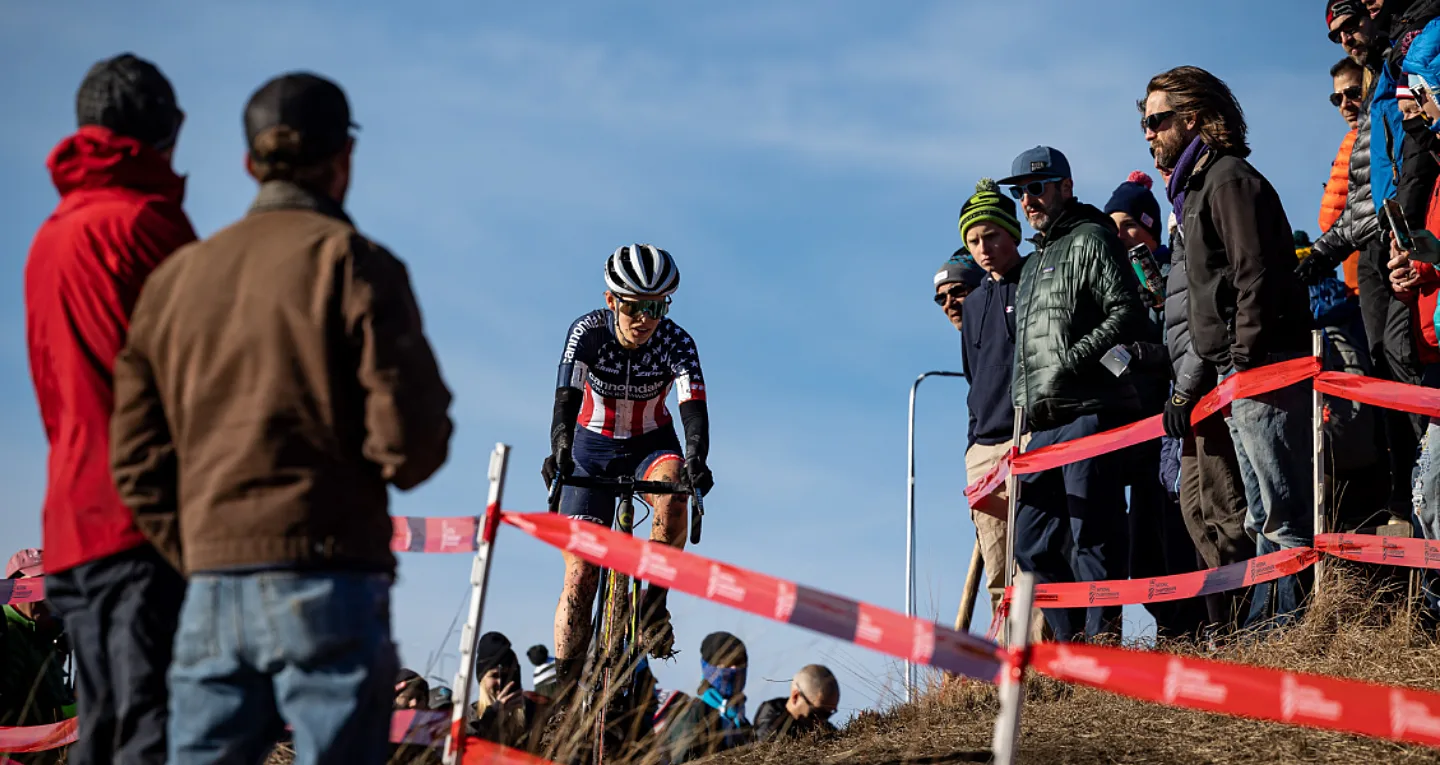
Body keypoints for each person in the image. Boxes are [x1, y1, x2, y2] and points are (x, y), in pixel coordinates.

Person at [109, 71, 454, 764]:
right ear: (344, 158)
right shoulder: (357, 266)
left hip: (211, 583)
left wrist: (199, 547)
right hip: (331, 576)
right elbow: (411, 448)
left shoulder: (177, 279)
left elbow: (134, 457)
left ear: (248, 163)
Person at [22, 52, 195, 765]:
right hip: (146, 521)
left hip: (71, 523)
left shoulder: (48, 238)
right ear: (162, 132)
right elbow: (200, 383)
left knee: (104, 729)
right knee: (151, 732)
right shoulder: (150, 226)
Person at [1143, 66, 1315, 627]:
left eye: (1157, 120)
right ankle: (1268, 632)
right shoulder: (1196, 190)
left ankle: (1293, 630)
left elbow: (1254, 276)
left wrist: (1244, 357)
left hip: (1263, 370)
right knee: (1260, 514)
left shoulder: (1228, 179)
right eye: (1144, 123)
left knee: (1281, 513)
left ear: (1192, 118)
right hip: (1235, 374)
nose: (1148, 134)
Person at [545, 244, 713, 688]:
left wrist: (697, 458)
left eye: (656, 307)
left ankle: (653, 606)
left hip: (651, 445)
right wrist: (559, 446)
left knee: (674, 491)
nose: (645, 319)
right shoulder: (587, 332)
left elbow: (693, 408)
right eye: (635, 306)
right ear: (611, 301)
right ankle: (566, 691)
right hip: (590, 449)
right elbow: (566, 398)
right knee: (581, 575)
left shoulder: (677, 343)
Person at [1000, 146, 1147, 641]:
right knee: (1031, 543)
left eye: (1036, 187)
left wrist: (1073, 358)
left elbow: (1128, 311)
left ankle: (1102, 651)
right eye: (1020, 192)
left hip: (1089, 410)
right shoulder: (1033, 262)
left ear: (1065, 186)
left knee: (1093, 537)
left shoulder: (1092, 238)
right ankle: (1071, 650)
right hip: (1043, 421)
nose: (1027, 199)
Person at [1101, 172, 1208, 640]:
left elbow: (1185, 344)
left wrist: (1147, 348)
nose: (1121, 236)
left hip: (1173, 424)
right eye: (1113, 227)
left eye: (1129, 225)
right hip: (1131, 432)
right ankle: (1169, 628)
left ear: (1149, 227)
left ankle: (1188, 632)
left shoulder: (1172, 273)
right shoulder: (1112, 287)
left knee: (1178, 535)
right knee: (1141, 553)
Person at [950, 182, 1031, 627]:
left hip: (1030, 436)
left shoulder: (1036, 280)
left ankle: (1038, 656)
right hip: (984, 449)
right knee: (997, 570)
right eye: (974, 240)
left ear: (1012, 233)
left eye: (991, 236)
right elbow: (973, 377)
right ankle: (1006, 656)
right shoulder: (974, 303)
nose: (983, 248)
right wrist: (972, 444)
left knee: (1034, 560)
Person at [1, 549, 75, 765]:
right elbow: (12, 709)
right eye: (37, 581)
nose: (44, 595)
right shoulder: (10, 635)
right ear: (15, 588)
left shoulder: (45, 637)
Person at [659, 632, 754, 763]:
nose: (734, 668)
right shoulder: (693, 713)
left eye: (739, 662)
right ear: (709, 667)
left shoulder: (742, 724)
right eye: (727, 662)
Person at [1321, 56, 1366, 295]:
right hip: (1356, 278)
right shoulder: (1352, 141)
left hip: (1381, 272)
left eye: (1353, 93)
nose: (1345, 105)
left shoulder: (1371, 138)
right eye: (1337, 99)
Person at [467, 633, 542, 752]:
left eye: (507, 674)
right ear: (482, 679)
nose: (501, 682)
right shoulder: (469, 718)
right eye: (494, 675)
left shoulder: (534, 712)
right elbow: (470, 752)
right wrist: (492, 716)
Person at [753, 664, 840, 742]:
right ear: (795, 696)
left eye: (829, 714)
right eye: (817, 713)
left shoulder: (821, 725)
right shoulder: (771, 721)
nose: (821, 721)